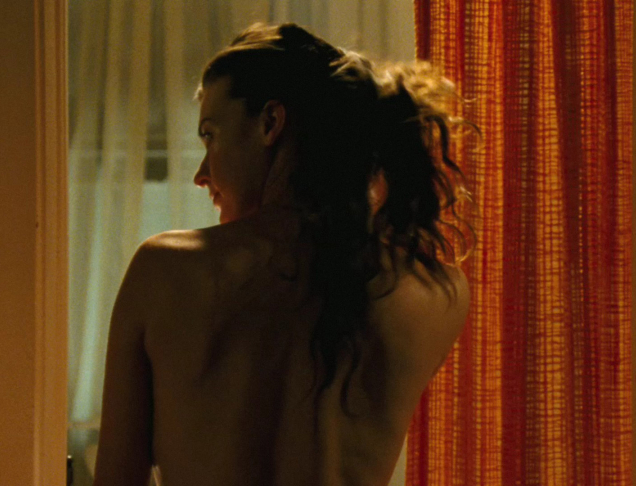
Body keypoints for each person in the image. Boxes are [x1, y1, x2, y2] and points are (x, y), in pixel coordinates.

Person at [93, 22, 475, 486]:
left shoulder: (164, 273)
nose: (201, 173)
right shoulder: (435, 293)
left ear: (270, 123)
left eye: (210, 135)